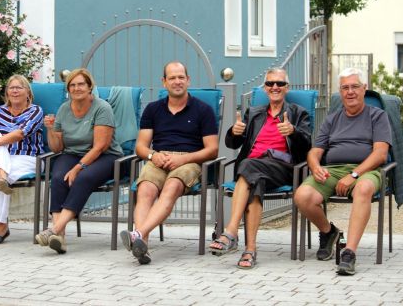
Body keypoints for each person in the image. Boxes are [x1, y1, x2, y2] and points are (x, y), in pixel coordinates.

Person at [209, 68, 312, 269]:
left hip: (283, 168)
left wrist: (293, 132)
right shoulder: (254, 113)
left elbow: (307, 145)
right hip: (255, 171)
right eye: (270, 83)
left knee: (248, 166)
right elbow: (232, 144)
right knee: (255, 182)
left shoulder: (298, 113)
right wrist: (234, 132)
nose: (275, 87)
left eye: (280, 83)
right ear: (265, 88)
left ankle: (231, 231)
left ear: (287, 87)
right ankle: (250, 251)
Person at [294, 68, 392, 276]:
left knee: (363, 189)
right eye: (345, 88)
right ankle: (329, 232)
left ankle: (349, 253)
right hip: (333, 171)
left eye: (355, 86)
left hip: (367, 170)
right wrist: (315, 166)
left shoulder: (377, 116)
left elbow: (380, 154)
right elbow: (314, 151)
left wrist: (354, 175)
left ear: (364, 89)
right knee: (302, 196)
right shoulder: (332, 119)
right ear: (340, 92)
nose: (350, 92)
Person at [120, 61, 218, 265]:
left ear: (188, 80)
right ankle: (142, 245)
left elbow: (212, 150)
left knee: (171, 187)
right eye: (172, 78)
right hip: (159, 158)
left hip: (189, 160)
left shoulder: (203, 110)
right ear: (164, 82)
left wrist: (183, 158)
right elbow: (141, 147)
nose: (177, 81)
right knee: (145, 190)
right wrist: (152, 156)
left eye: (181, 77)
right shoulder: (153, 109)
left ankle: (138, 234)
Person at [36, 68, 123, 254]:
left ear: (90, 86)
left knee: (83, 178)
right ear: (68, 89)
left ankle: (54, 230)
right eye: (72, 85)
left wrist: (78, 168)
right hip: (72, 153)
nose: (77, 88)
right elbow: (57, 148)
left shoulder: (102, 108)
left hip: (106, 156)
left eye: (81, 84)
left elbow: (100, 146)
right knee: (58, 178)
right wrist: (50, 130)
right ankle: (59, 237)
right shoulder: (64, 109)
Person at [0, 74, 44, 245]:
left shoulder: (35, 111)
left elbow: (21, 133)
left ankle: (0, 226)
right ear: (7, 92)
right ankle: (2, 179)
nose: (14, 91)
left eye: (19, 87)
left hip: (29, 158)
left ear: (28, 92)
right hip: (5, 157)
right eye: (11, 88)